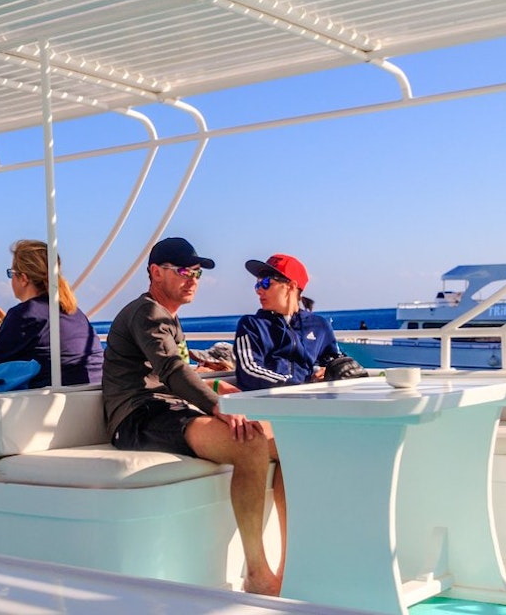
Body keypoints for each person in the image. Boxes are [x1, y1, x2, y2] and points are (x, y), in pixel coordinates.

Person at [102, 236, 282, 596]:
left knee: (284, 443)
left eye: (197, 272)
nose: (193, 279)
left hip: (167, 410)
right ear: (155, 272)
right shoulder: (148, 313)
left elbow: (178, 371)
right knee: (249, 444)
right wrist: (217, 406)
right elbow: (170, 369)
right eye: (184, 271)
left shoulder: (166, 316)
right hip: (138, 417)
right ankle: (258, 573)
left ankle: (291, 559)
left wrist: (218, 391)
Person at [0, 240, 103, 388]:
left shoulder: (25, 314)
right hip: (94, 392)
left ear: (24, 279)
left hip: (54, 401)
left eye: (11, 273)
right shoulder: (74, 311)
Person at [235, 254, 343, 390]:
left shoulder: (319, 325)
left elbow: (335, 362)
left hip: (311, 403)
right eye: (258, 284)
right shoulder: (251, 325)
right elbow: (249, 371)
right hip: (267, 405)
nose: (259, 290)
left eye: (266, 283)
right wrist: (298, 387)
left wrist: (329, 371)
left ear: (291, 286)